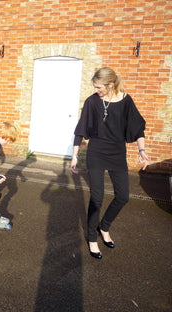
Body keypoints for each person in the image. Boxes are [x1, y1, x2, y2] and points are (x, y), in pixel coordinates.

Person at [69, 67, 149, 259]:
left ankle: (104, 227)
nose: (97, 90)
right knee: (97, 197)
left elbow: (137, 127)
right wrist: (74, 155)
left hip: (117, 153)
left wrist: (142, 150)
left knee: (123, 196)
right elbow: (81, 129)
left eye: (99, 87)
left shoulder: (126, 101)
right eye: (95, 87)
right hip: (96, 151)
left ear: (110, 85)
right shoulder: (92, 102)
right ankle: (92, 239)